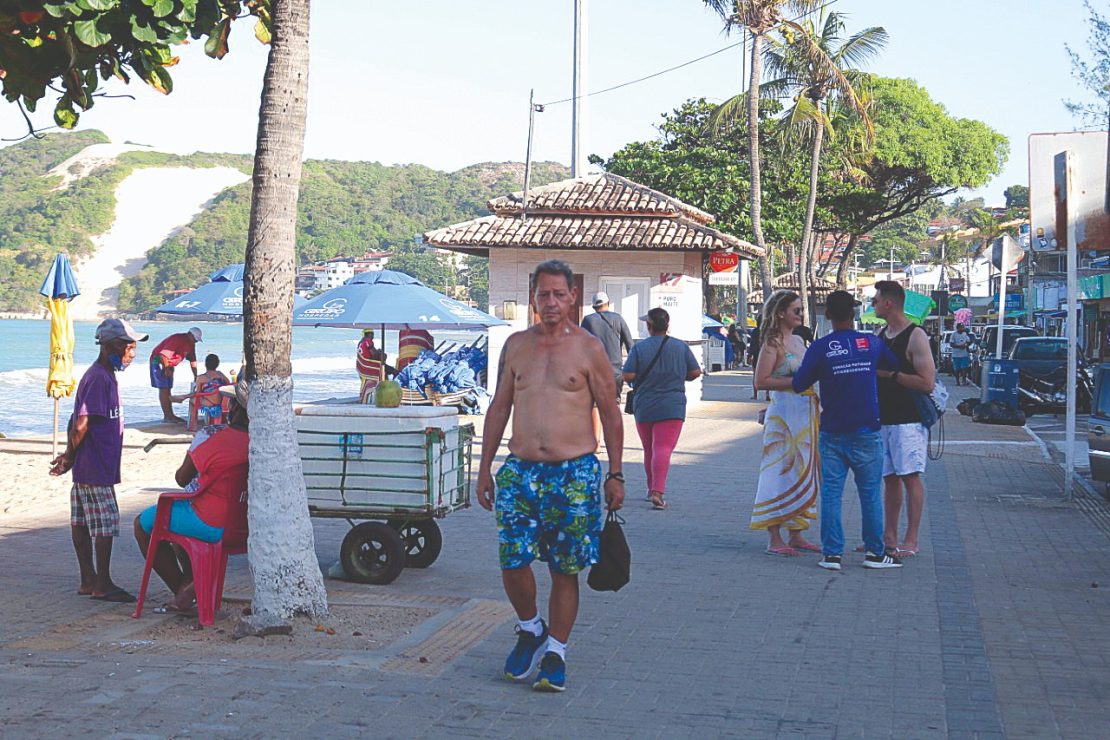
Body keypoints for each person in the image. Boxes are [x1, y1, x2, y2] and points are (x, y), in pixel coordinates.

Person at [476, 259, 625, 693]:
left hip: (574, 472)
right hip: (520, 470)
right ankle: (530, 627)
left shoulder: (589, 348)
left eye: (560, 294)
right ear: (534, 297)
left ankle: (556, 652)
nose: (553, 302)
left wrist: (615, 474)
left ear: (573, 296)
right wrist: (485, 468)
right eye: (545, 294)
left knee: (566, 568)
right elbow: (500, 407)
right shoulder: (517, 346)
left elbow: (611, 413)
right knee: (513, 559)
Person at [792, 290, 903, 570]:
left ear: (827, 315)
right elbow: (893, 365)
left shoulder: (820, 347)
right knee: (870, 494)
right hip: (867, 431)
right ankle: (875, 554)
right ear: (853, 315)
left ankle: (832, 554)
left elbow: (799, 383)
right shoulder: (871, 343)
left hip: (832, 432)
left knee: (831, 493)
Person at [50, 318, 149, 602]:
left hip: (91, 464)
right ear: (109, 347)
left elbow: (75, 420)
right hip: (95, 466)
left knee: (81, 521)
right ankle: (101, 582)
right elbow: (80, 423)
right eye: (127, 348)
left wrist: (70, 456)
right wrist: (70, 456)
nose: (131, 354)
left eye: (133, 349)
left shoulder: (105, 376)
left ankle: (88, 580)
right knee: (103, 524)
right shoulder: (98, 377)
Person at [134, 381, 250, 613]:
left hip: (211, 522)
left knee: (142, 524)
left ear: (236, 409)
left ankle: (184, 590)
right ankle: (189, 589)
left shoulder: (216, 441)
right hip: (244, 525)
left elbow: (181, 478)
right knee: (180, 531)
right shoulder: (262, 443)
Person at [750, 291, 820, 555]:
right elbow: (761, 381)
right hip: (784, 416)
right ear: (781, 313)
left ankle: (797, 532)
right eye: (795, 310)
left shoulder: (800, 341)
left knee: (801, 471)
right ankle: (774, 536)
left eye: (801, 310)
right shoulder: (772, 343)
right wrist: (796, 383)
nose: (800, 315)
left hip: (805, 414)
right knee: (778, 470)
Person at [872, 280, 937, 559]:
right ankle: (889, 536)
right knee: (889, 478)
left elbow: (927, 382)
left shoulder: (916, 336)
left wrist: (893, 376)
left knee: (910, 477)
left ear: (889, 303)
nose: (872, 304)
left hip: (908, 420)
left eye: (876, 300)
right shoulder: (880, 334)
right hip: (882, 417)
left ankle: (911, 538)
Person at [623, 307, 701, 511]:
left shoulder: (639, 348)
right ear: (667, 325)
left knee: (649, 449)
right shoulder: (680, 347)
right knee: (663, 448)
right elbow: (695, 371)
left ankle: (651, 489)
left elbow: (628, 375)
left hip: (645, 404)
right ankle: (658, 491)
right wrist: (677, 375)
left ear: (649, 326)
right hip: (672, 405)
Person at [150, 327, 201, 423]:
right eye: (195, 339)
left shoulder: (191, 344)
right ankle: (167, 416)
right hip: (158, 362)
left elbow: (193, 360)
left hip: (169, 364)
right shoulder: (177, 339)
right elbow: (162, 355)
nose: (196, 342)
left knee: (168, 387)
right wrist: (166, 369)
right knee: (164, 388)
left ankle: (170, 415)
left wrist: (196, 376)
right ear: (190, 335)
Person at [193, 354, 230, 425]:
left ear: (205, 364)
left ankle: (193, 424)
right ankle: (182, 397)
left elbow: (198, 393)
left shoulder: (201, 378)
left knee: (192, 401)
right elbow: (228, 384)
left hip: (209, 402)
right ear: (217, 364)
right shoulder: (220, 374)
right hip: (220, 402)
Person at [356, 328, 391, 402]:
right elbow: (373, 353)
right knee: (388, 369)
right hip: (370, 366)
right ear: (369, 334)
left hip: (363, 366)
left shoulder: (360, 342)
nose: (372, 336)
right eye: (372, 334)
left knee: (386, 367)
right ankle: (389, 390)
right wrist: (379, 353)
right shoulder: (368, 341)